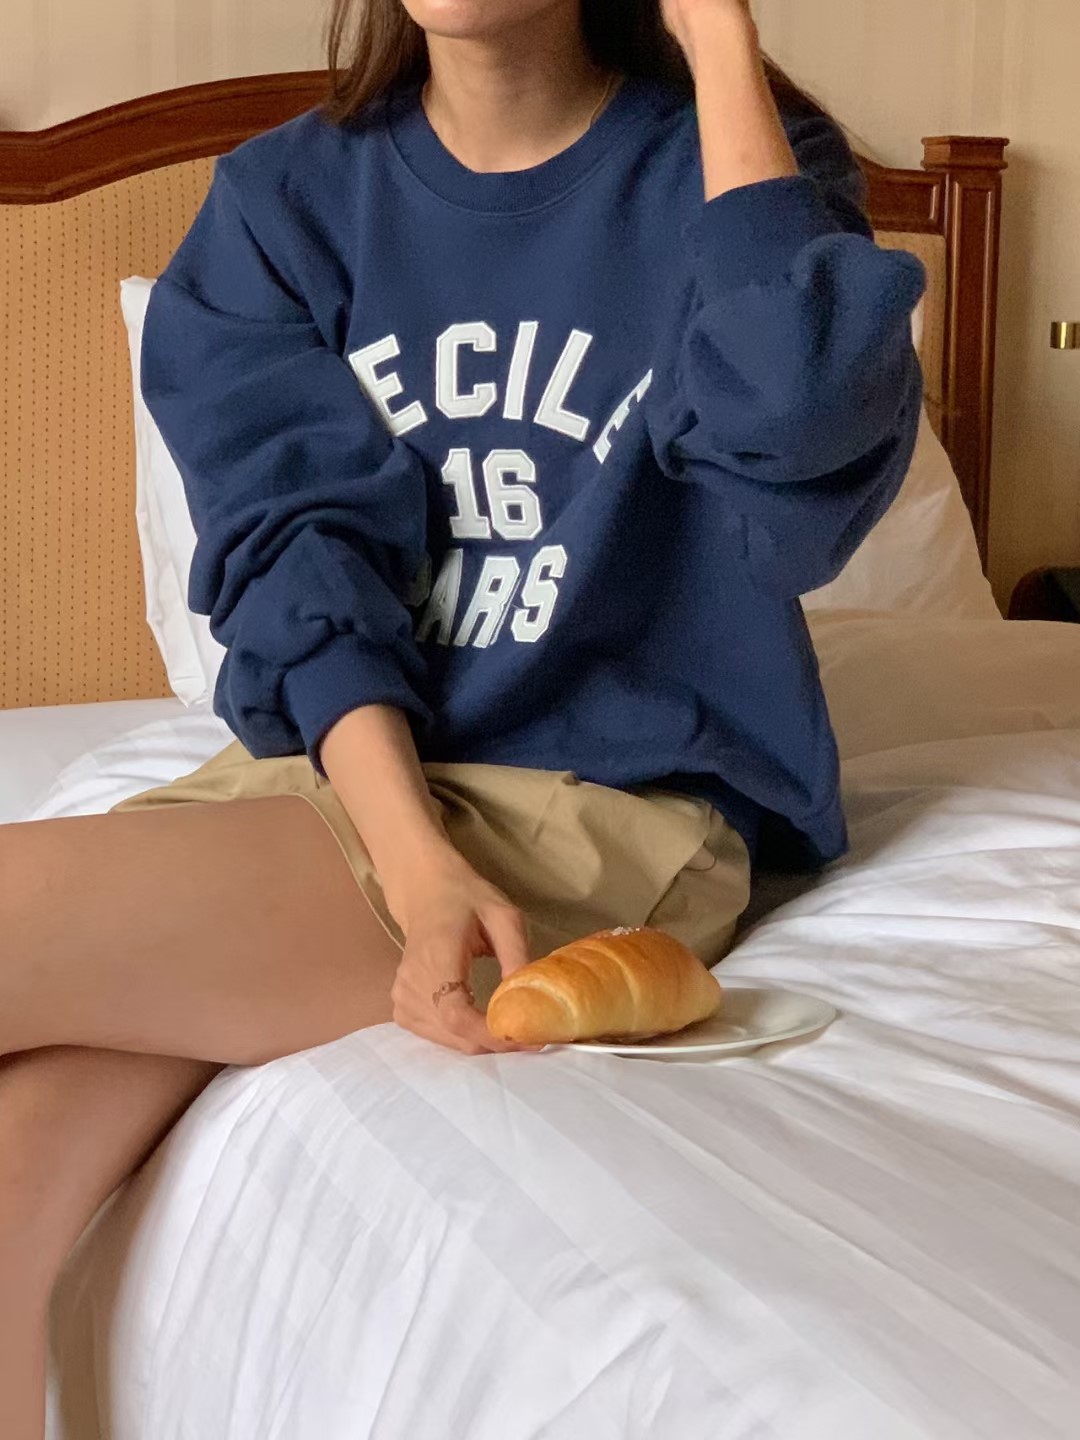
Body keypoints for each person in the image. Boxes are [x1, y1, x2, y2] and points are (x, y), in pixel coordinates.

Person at [0, 0, 925, 1432]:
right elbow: (300, 565)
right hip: (349, 774)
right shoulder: (283, 203)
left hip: (617, 792)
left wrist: (718, 40)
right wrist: (415, 858)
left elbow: (794, 465)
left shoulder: (747, 166)